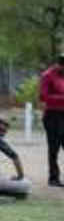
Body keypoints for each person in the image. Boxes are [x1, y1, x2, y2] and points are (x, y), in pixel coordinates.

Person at [39, 54, 64, 187]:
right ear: (60, 64)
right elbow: (43, 97)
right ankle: (53, 178)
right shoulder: (48, 75)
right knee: (54, 147)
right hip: (53, 115)